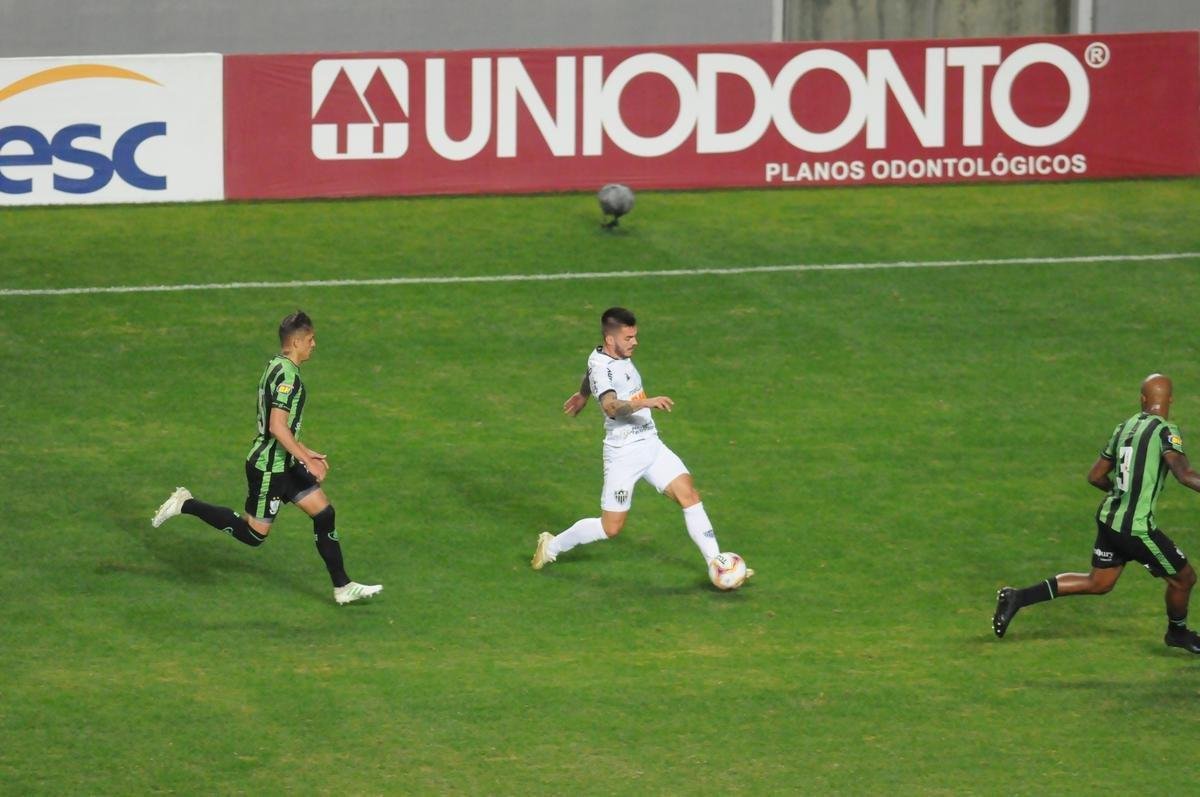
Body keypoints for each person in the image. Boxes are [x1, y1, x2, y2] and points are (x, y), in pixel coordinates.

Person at [151, 311, 382, 605]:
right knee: (253, 535)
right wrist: (306, 460)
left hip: (282, 461)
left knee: (324, 513)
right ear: (297, 342)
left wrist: (304, 450)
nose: (314, 345)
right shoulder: (290, 379)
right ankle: (186, 503)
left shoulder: (276, 365)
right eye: (311, 339)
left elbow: (280, 427)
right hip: (269, 468)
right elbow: (276, 426)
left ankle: (342, 586)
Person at [531, 306, 751, 582]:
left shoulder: (602, 355)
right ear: (612, 340)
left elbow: (589, 373)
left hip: (650, 443)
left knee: (689, 495)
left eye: (635, 336)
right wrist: (644, 402)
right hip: (624, 454)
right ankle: (551, 546)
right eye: (629, 338)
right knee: (611, 528)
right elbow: (611, 406)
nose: (635, 342)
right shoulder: (604, 368)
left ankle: (718, 565)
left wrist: (582, 394)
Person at [993, 373, 1200, 653]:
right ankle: (1177, 632)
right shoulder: (1166, 431)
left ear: (1142, 400)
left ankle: (1018, 597)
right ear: (1171, 400)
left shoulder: (1124, 427)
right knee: (1184, 578)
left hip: (1109, 519)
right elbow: (1184, 474)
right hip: (1134, 528)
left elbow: (1095, 476)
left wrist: (1120, 491)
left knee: (1099, 582)